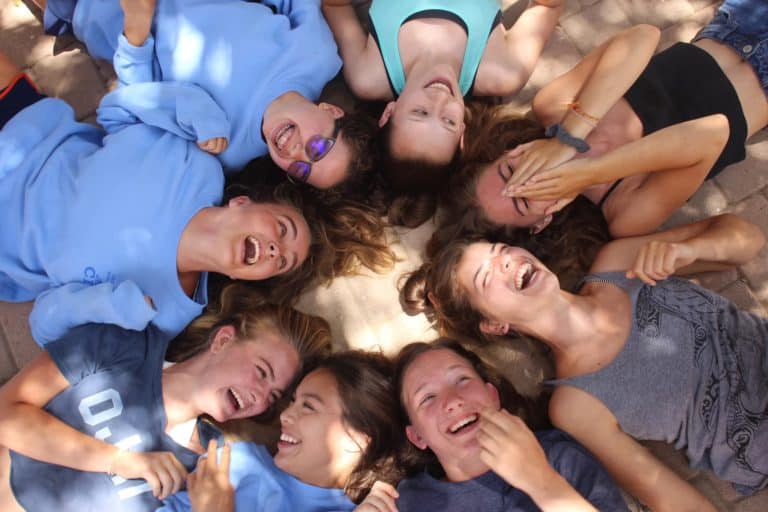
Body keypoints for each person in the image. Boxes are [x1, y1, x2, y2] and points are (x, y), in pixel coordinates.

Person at [0, 39, 394, 346]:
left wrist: (104, 306)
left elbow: (45, 323)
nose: (276, 250)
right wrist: (192, 107)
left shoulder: (165, 313)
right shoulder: (199, 167)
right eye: (284, 229)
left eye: (283, 262)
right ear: (242, 202)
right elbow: (119, 111)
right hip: (25, 126)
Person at [403, 212, 768, 510]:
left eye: (501, 250)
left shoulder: (618, 263)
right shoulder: (576, 405)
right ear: (495, 325)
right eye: (487, 277)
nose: (506, 262)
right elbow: (670, 499)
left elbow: (749, 237)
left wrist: (694, 249)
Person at [0, 283, 333, 512]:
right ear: (223, 340)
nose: (259, 396)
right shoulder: (120, 345)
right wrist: (117, 460)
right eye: (262, 372)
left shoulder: (211, 467)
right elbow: (5, 413)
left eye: (273, 396)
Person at [449, 7, 768, 238]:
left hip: (738, 25)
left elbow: (643, 36)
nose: (527, 177)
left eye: (508, 170)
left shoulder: (552, 109)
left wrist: (566, 140)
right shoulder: (624, 212)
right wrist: (591, 172)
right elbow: (714, 133)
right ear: (541, 222)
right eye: (521, 200)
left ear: (510, 151)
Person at [38, 0, 378, 189]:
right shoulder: (318, 55)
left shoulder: (224, 148)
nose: (297, 153)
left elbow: (140, 99)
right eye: (319, 147)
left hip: (101, 10)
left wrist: (137, 28)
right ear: (332, 111)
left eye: (302, 170)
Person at [322, 0, 563, 182]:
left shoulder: (369, 76)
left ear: (389, 113)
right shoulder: (501, 72)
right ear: (462, 134)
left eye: (420, 112)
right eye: (448, 120)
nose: (440, 99)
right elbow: (547, 7)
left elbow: (334, 5)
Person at [390, 338, 628, 511]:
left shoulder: (559, 459)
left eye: (462, 379)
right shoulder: (408, 502)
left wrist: (539, 480)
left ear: (492, 396)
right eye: (428, 398)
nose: (452, 401)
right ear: (417, 436)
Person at [158, 350, 401, 512]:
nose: (285, 415)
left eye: (308, 406)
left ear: (357, 437)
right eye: (293, 401)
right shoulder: (239, 463)